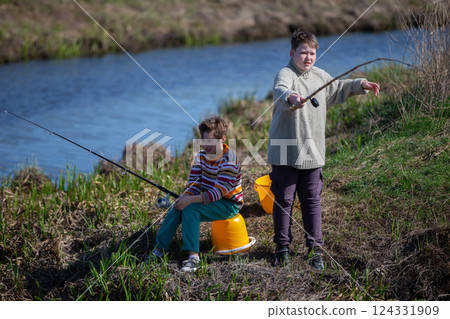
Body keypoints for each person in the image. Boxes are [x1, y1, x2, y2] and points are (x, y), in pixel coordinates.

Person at [268, 30, 380, 270]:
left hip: (312, 151)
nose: (308, 57)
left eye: (312, 53)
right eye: (303, 52)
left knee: (311, 201)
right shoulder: (285, 74)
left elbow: (338, 87)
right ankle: (282, 249)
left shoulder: (319, 75)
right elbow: (280, 90)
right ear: (292, 53)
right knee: (284, 200)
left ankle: (315, 252)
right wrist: (292, 99)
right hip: (285, 150)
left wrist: (360, 84)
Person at [143, 116, 243, 273]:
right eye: (204, 141)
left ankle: (193, 258)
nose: (206, 146)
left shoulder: (229, 160)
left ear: (222, 139)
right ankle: (158, 251)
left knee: (191, 209)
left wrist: (192, 200)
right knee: (178, 207)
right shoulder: (201, 157)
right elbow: (195, 183)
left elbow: (219, 192)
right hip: (207, 199)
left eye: (211, 141)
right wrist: (184, 197)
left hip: (228, 204)